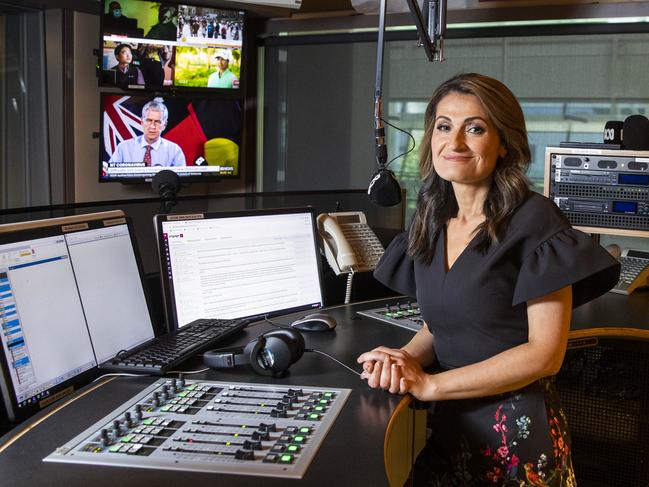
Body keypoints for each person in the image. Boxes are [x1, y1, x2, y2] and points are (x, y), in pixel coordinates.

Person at [356, 73, 620, 486]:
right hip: (451, 433)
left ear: (503, 145)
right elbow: (446, 321)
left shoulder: (536, 220)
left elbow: (544, 355)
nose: (455, 142)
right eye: (444, 126)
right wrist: (405, 357)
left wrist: (430, 384)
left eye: (474, 129)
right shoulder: (431, 217)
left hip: (516, 441)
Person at [109, 98, 185, 167]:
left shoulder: (174, 151)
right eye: (149, 120)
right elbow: (109, 174)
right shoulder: (123, 148)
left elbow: (180, 179)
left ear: (164, 125)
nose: (152, 126)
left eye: (157, 122)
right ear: (142, 121)